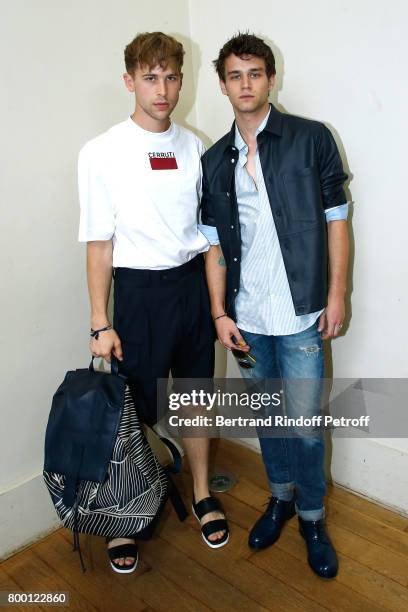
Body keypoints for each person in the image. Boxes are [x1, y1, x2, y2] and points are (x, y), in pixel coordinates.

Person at [199, 33, 349, 579]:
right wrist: (219, 312)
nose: (245, 84)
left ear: (270, 78)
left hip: (301, 313)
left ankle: (312, 516)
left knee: (306, 424)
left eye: (255, 73)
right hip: (247, 318)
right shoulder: (215, 160)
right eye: (235, 75)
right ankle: (280, 498)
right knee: (269, 419)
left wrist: (335, 295)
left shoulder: (311, 139)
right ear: (222, 84)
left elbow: (337, 221)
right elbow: (215, 244)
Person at [78, 32, 229, 573]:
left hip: (190, 287)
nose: (162, 89)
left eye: (170, 77)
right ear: (129, 82)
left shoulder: (194, 145)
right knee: (132, 412)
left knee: (195, 398)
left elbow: (209, 235)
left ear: (181, 82)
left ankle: (204, 492)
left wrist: (215, 308)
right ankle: (124, 518)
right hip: (138, 291)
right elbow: (99, 241)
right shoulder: (101, 150)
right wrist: (100, 320)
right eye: (149, 77)